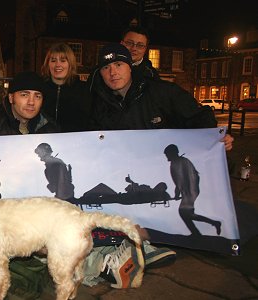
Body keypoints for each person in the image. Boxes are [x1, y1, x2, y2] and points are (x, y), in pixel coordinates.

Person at [89, 42, 233, 288]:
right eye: (106, 67)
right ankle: (138, 243)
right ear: (100, 74)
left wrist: (215, 138)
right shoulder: (99, 104)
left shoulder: (162, 92)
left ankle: (154, 240)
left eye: (119, 64)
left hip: (161, 174)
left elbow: (198, 117)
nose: (113, 72)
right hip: (127, 174)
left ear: (130, 67)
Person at [0, 71, 58, 136]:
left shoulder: (49, 127)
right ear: (11, 98)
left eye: (37, 96)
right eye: (24, 95)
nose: (31, 102)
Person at [164, 144, 222, 236]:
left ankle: (197, 232)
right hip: (186, 192)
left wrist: (189, 192)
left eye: (167, 154)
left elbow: (193, 177)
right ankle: (211, 225)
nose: (166, 156)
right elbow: (178, 181)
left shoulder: (183, 161)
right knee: (188, 214)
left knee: (183, 212)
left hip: (191, 191)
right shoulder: (174, 164)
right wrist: (178, 193)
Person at [41, 43, 92, 132]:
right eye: (53, 60)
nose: (58, 65)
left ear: (70, 64)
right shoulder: (40, 89)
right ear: (48, 64)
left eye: (63, 60)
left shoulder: (84, 89)